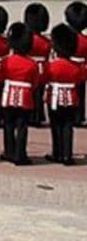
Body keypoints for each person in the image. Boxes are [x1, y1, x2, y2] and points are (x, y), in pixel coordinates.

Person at [0, 22, 39, 165]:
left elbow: (0, 79)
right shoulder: (32, 63)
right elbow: (35, 83)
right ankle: (20, 154)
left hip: (9, 95)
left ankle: (9, 152)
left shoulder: (6, 61)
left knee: (8, 125)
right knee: (22, 127)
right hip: (26, 97)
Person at [45, 23, 84, 165]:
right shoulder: (76, 67)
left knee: (56, 126)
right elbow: (79, 81)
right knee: (68, 126)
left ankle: (57, 153)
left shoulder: (51, 65)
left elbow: (45, 79)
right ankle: (67, 155)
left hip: (54, 97)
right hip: (71, 98)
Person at [23, 3, 51, 127]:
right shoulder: (46, 41)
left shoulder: (28, 39)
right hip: (42, 67)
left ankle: (30, 116)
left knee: (31, 92)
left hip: (30, 66)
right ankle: (38, 116)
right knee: (38, 93)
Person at [63, 1, 87, 128]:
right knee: (80, 94)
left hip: (69, 67)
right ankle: (79, 116)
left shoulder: (67, 38)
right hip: (82, 69)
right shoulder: (84, 40)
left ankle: (71, 115)